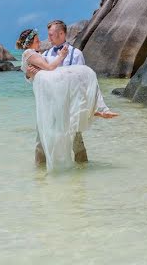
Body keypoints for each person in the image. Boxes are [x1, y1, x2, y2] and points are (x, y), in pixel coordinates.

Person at [16, 28, 117, 171]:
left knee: (75, 138)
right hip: (51, 101)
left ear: (61, 34)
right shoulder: (41, 54)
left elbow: (79, 80)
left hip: (68, 101)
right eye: (40, 39)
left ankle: (81, 175)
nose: (46, 39)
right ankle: (40, 176)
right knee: (43, 138)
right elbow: (41, 74)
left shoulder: (75, 53)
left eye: (51, 35)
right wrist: (29, 74)